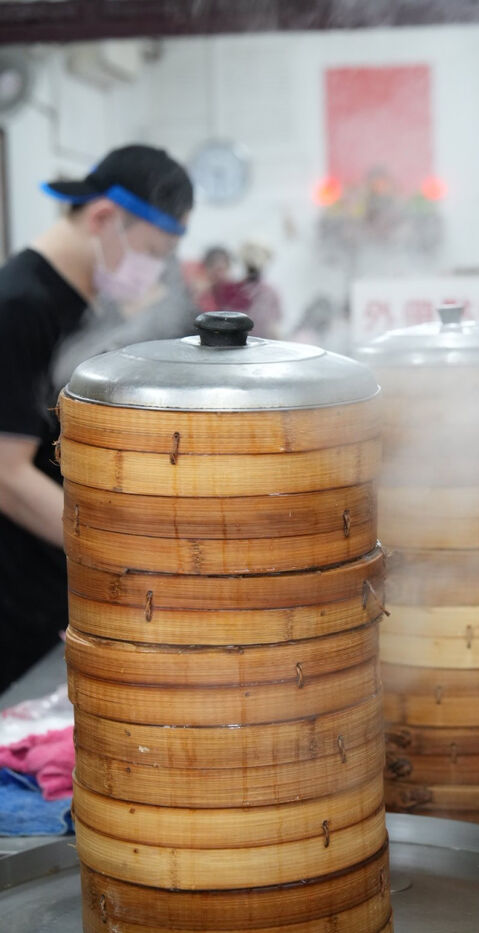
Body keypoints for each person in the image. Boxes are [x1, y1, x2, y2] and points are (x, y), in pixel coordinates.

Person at [0, 144, 193, 692]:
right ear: (104, 217)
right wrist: (119, 549)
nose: (154, 272)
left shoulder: (81, 304)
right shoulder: (18, 306)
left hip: (63, 584)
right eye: (153, 252)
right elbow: (6, 475)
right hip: (19, 601)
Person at [199, 240, 282, 339]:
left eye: (222, 269)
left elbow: (273, 326)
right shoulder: (209, 293)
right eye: (216, 269)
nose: (219, 275)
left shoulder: (237, 291)